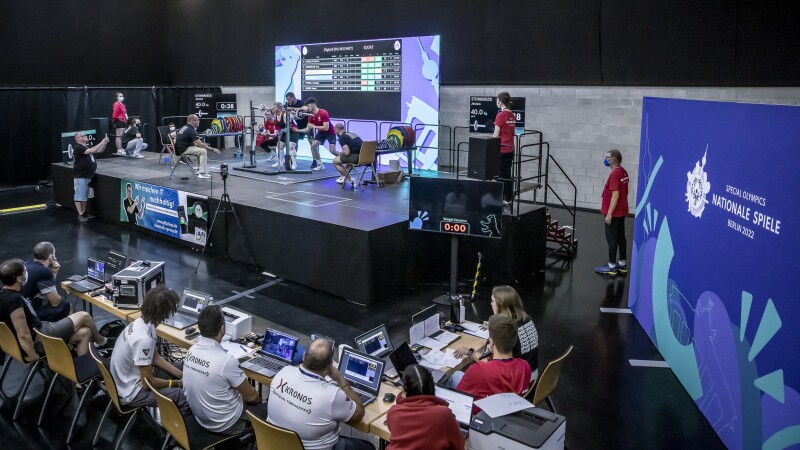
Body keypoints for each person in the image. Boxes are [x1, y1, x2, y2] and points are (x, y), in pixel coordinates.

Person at [267, 337, 374, 450]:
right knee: (368, 447)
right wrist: (342, 382)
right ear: (330, 365)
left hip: (275, 444)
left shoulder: (284, 372)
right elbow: (359, 413)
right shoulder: (331, 395)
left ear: (304, 356)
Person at [0, 259, 107, 360]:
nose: (26, 273)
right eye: (24, 271)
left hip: (41, 331)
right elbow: (23, 334)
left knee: (85, 332)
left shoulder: (4, 295)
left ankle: (82, 371)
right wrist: (33, 356)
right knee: (84, 316)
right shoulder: (14, 300)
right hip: (42, 336)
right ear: (19, 278)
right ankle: (102, 342)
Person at [184, 305, 262, 436]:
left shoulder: (191, 351)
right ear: (222, 329)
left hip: (201, 418)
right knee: (265, 411)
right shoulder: (226, 361)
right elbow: (252, 397)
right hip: (226, 424)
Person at [109, 285, 189, 412]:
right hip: (132, 392)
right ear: (166, 312)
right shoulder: (143, 339)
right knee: (181, 396)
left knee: (186, 366)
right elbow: (148, 383)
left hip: (133, 379)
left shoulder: (143, 323)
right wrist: (177, 383)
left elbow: (155, 357)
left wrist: (180, 374)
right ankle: (182, 430)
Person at [449, 315, 530, 412]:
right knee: (456, 376)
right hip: (506, 413)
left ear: (492, 344)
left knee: (454, 376)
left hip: (480, 416)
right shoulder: (525, 366)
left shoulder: (478, 370)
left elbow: (457, 397)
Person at [456, 286, 539, 380]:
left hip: (515, 380)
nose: (491, 304)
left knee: (457, 376)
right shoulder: (527, 319)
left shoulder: (506, 331)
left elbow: (494, 367)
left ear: (500, 305)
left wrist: (469, 351)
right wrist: (496, 327)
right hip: (532, 376)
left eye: (492, 301)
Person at [385, 364, 465, 450]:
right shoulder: (443, 414)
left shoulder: (393, 412)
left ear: (404, 390)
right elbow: (458, 446)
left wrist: (401, 398)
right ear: (432, 386)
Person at [595, 148, 630, 276]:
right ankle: (621, 264)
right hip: (621, 211)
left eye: (607, 157)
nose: (605, 159)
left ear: (612, 160)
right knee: (621, 237)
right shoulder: (623, 172)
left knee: (612, 239)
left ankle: (611, 266)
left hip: (614, 213)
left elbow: (615, 195)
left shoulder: (614, 174)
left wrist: (609, 213)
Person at [20, 242, 72, 322]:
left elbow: (45, 289)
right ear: (51, 257)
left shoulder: (25, 264)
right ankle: (69, 331)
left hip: (21, 311)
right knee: (67, 306)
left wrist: (54, 273)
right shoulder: (44, 271)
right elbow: (55, 302)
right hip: (31, 315)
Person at [73, 131, 109, 222]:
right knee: (79, 195)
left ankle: (84, 212)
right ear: (78, 139)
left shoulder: (85, 147)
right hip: (81, 176)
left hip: (88, 175)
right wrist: (102, 142)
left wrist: (104, 143)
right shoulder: (78, 147)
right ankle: (80, 214)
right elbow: (92, 150)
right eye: (83, 135)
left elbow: (100, 150)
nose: (86, 136)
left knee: (85, 196)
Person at [295, 97, 336, 171]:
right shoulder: (311, 116)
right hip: (321, 133)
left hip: (330, 132)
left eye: (308, 106)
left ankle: (346, 160)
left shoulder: (323, 112)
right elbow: (307, 129)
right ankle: (320, 164)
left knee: (332, 151)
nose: (307, 108)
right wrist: (297, 130)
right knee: (313, 146)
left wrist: (314, 126)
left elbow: (326, 127)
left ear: (313, 104)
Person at [174, 114, 220, 179]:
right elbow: (200, 144)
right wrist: (212, 149)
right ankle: (202, 173)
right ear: (193, 121)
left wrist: (201, 145)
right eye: (198, 120)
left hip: (180, 148)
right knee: (203, 151)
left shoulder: (185, 127)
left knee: (200, 149)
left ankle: (199, 170)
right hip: (182, 149)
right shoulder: (191, 130)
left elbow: (191, 142)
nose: (199, 121)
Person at [492, 92, 516, 206]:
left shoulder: (500, 115)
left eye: (497, 100)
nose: (496, 102)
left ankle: (502, 199)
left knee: (501, 175)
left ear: (500, 102)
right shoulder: (512, 114)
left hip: (502, 149)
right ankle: (509, 198)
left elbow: (496, 134)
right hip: (510, 149)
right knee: (507, 174)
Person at [274, 102, 298, 170]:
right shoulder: (276, 115)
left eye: (275, 107)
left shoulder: (285, 114)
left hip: (293, 131)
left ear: (279, 108)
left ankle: (294, 164)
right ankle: (280, 162)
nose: (274, 108)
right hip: (286, 132)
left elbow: (296, 117)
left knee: (291, 147)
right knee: (279, 147)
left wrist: (294, 113)